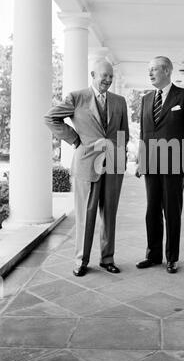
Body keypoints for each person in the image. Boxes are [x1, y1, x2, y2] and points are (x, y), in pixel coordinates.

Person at [44, 60, 129, 277]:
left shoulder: (119, 101)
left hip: (113, 164)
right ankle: (81, 260)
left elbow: (123, 133)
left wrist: (121, 157)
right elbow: (51, 118)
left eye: (111, 77)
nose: (108, 80)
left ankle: (107, 259)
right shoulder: (76, 97)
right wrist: (74, 140)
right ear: (93, 74)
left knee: (109, 213)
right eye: (104, 76)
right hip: (86, 163)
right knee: (86, 214)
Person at [136, 56, 184, 274]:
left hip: (174, 163)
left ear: (167, 71)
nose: (150, 73)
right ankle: (152, 255)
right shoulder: (145, 99)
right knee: (151, 211)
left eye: (154, 69)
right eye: (149, 69)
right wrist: (140, 160)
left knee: (172, 211)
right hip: (151, 164)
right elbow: (144, 133)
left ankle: (172, 257)